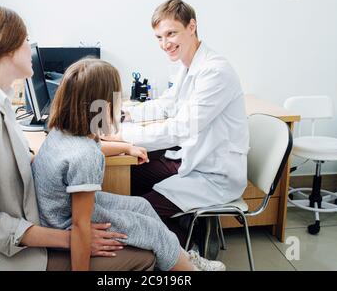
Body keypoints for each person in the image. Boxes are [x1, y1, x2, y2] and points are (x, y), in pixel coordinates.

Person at [0, 4, 155, 271]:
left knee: (138, 215)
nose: (30, 48)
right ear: (6, 49)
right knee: (144, 255)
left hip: (19, 233)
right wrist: (73, 240)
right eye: (25, 41)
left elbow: (16, 161)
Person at [32, 58, 226, 271]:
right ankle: (188, 269)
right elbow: (80, 225)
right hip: (65, 224)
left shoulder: (62, 133)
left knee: (142, 205)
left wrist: (126, 147)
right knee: (151, 230)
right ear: (105, 108)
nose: (120, 106)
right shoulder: (85, 156)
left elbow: (90, 150)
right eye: (117, 100)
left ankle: (182, 258)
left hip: (56, 213)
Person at [115, 0, 250, 246]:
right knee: (125, 177)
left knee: (135, 214)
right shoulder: (188, 65)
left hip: (214, 174)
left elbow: (181, 128)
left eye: (171, 33)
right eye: (158, 37)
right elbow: (167, 104)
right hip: (191, 160)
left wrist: (122, 136)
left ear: (192, 27)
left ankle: (187, 247)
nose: (165, 44)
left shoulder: (215, 71)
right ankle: (180, 229)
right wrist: (126, 114)